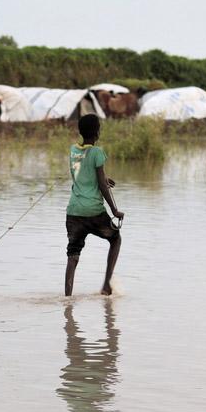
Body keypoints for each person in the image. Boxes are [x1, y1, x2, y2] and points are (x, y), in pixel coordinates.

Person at [65, 114, 124, 296]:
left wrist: (103, 178)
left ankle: (67, 298)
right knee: (115, 239)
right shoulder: (98, 153)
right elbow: (100, 186)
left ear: (81, 132)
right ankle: (106, 285)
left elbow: (83, 175)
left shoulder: (73, 150)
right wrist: (115, 210)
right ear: (97, 132)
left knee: (73, 255)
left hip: (74, 212)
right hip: (94, 212)